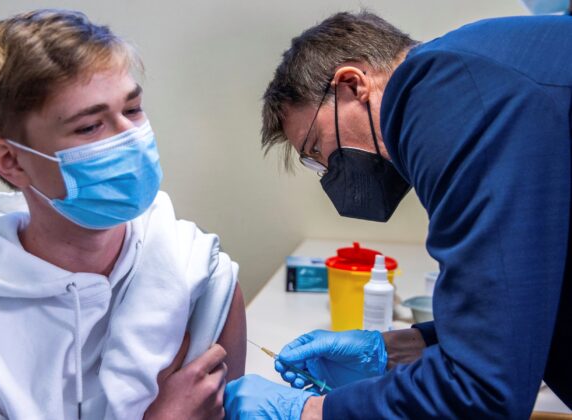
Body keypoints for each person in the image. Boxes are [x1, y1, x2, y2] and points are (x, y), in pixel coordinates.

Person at [0, 9, 246, 420]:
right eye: (90, 127)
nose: (130, 138)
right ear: (11, 161)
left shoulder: (197, 273)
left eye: (132, 109)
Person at [224, 8, 571, 420]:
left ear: (353, 85)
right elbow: (523, 302)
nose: (328, 171)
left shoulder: (445, 94)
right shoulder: (470, 74)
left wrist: (312, 411)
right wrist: (402, 348)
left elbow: (483, 389)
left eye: (317, 147)